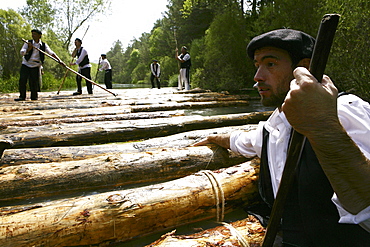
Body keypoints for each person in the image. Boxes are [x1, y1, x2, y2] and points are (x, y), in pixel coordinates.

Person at [194, 29, 370, 246]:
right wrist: (214, 137)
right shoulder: (273, 127)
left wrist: (323, 127)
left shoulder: (343, 111)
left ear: (304, 68)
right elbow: (242, 141)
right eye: (257, 65)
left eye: (270, 64)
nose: (257, 77)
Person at [16, 29, 63, 101]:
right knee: (22, 80)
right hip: (26, 63)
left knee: (34, 82)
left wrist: (59, 61)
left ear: (39, 36)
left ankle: (34, 97)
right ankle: (22, 96)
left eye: (34, 34)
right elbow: (22, 53)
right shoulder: (28, 43)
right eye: (32, 34)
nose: (33, 35)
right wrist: (29, 48)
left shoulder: (43, 45)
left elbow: (51, 53)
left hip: (36, 65)